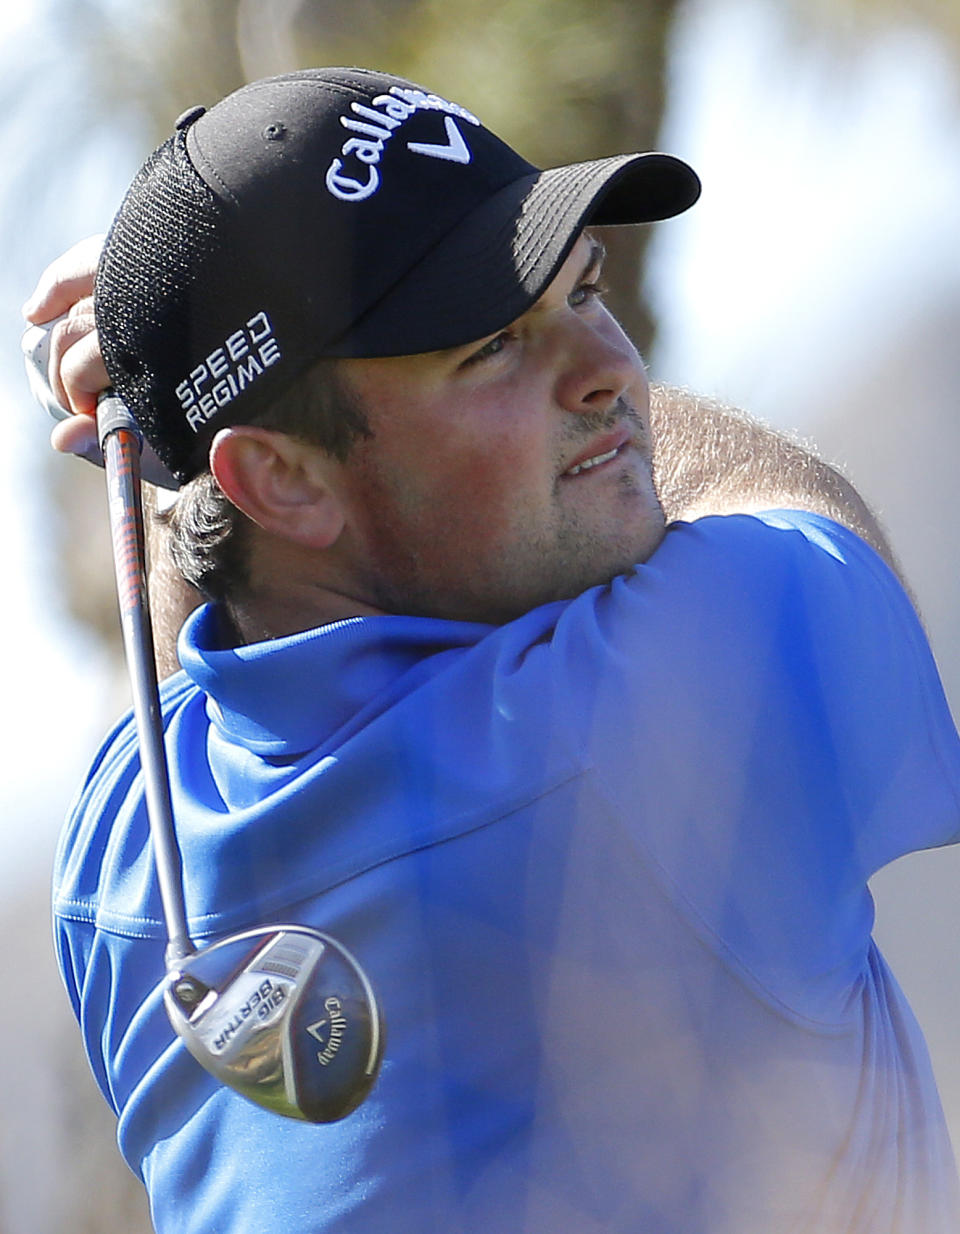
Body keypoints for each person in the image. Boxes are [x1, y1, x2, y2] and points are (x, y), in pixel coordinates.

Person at [25, 67, 960, 1234]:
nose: (610, 368)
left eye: (586, 289)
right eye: (495, 346)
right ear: (281, 478)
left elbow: (205, 606)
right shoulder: (655, 708)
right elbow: (803, 517)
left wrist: (171, 403)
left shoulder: (119, 871)